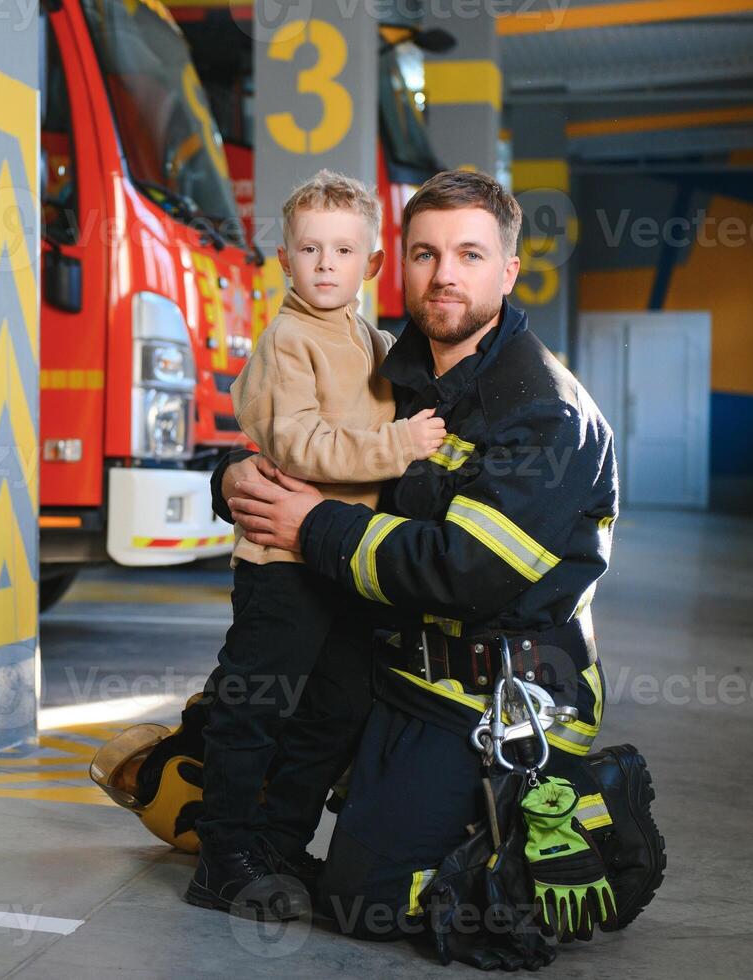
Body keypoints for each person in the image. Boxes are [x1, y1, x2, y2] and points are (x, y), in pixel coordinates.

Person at [211, 170, 665, 966]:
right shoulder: (393, 361)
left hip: (498, 696)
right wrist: (228, 479)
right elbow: (311, 439)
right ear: (400, 266)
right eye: (426, 254)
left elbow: (464, 570)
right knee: (244, 713)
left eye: (468, 254)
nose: (444, 274)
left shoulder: (543, 412)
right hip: (393, 664)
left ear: (507, 272)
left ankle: (578, 813)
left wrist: (310, 522)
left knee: (368, 900)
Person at [185, 171, 447, 922]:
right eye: (309, 248)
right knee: (253, 709)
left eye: (342, 250)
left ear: (369, 266)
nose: (325, 263)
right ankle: (222, 858)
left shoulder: (372, 340)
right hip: (282, 567)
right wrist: (400, 443)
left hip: (345, 565)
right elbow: (299, 444)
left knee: (337, 708)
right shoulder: (287, 339)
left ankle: (276, 840)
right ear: (284, 259)